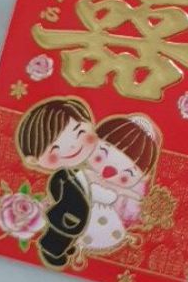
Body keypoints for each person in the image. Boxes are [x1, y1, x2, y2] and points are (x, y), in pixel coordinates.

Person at [15, 97, 97, 269]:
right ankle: (51, 253)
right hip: (65, 216)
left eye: (80, 133)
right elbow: (57, 192)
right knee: (57, 237)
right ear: (33, 160)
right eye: (55, 148)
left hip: (76, 216)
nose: (73, 146)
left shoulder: (82, 170)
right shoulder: (60, 176)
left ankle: (64, 248)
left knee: (68, 237)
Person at [78, 114, 161, 256]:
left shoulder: (120, 195)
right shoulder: (85, 174)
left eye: (127, 173)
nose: (110, 170)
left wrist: (144, 202)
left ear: (144, 177)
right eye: (101, 155)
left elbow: (131, 195)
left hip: (105, 221)